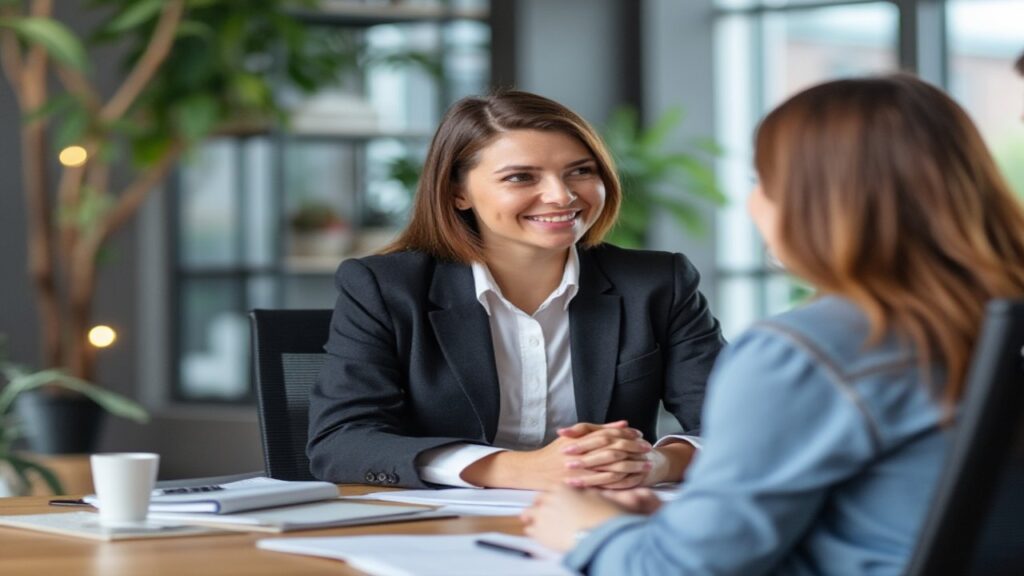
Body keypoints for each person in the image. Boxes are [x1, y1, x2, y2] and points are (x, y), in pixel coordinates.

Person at [522, 74, 1024, 574]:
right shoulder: (984, 321)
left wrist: (587, 529)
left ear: (813, 199)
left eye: (762, 180)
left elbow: (682, 571)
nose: (754, 203)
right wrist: (691, 527)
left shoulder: (805, 352)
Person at [307, 90, 725, 490]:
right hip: (445, 532)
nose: (561, 195)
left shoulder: (657, 282)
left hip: (604, 518)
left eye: (580, 171)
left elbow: (739, 424)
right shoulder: (386, 287)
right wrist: (518, 469)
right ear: (458, 194)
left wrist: (654, 463)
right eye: (521, 177)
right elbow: (341, 441)